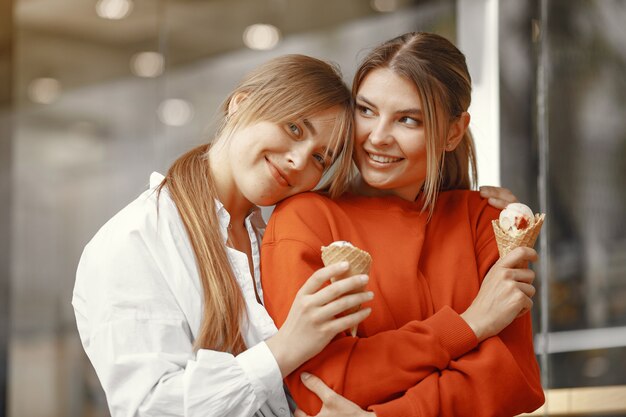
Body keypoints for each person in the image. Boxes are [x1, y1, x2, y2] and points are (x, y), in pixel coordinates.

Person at [72, 54, 376, 417]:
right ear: (241, 104)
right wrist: (286, 346)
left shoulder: (276, 241)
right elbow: (151, 407)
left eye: (320, 159)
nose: (298, 161)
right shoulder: (135, 239)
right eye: (294, 128)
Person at [260, 33, 545, 417]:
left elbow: (511, 379)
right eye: (366, 111)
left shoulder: (485, 220)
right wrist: (470, 325)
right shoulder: (305, 219)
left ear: (453, 132)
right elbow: (326, 386)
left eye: (407, 119)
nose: (377, 137)